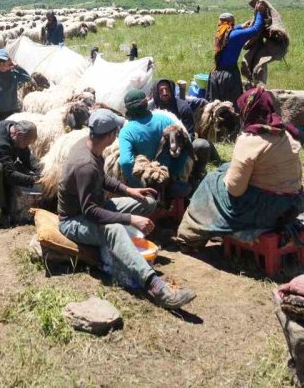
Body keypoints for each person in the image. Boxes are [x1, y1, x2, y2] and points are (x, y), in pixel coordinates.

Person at [58, 109, 195, 309]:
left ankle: (130, 246)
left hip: (95, 205)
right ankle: (156, 287)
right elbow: (90, 211)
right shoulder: (85, 165)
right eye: (116, 131)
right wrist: (130, 219)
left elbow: (102, 179)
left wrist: (129, 190)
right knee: (114, 230)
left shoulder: (90, 147)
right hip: (74, 219)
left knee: (147, 202)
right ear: (110, 135)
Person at [176, 86, 304, 253]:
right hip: (294, 201)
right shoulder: (285, 134)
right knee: (225, 167)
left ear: (248, 110)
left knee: (210, 183)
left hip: (267, 208)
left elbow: (235, 190)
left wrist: (222, 180)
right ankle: (214, 227)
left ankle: (190, 237)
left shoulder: (250, 140)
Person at [117, 89, 190, 198]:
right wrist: (174, 173)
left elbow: (126, 162)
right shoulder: (165, 120)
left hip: (146, 182)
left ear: (128, 108)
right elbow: (185, 146)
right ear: (146, 103)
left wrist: (138, 185)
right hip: (168, 178)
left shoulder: (127, 132)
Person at [148, 78, 219, 189]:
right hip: (158, 147)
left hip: (182, 145)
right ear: (156, 93)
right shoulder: (152, 109)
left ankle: (196, 175)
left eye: (167, 89)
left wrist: (178, 145)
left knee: (202, 144)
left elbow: (190, 134)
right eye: (161, 90)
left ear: (172, 90)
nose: (165, 93)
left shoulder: (183, 107)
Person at [208, 2, 265, 105]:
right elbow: (256, 29)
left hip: (214, 76)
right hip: (228, 77)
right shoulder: (236, 36)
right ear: (231, 23)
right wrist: (260, 12)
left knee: (215, 107)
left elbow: (231, 30)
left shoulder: (220, 34)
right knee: (232, 107)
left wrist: (241, 26)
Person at [0, 48, 31, 123]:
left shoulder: (14, 73)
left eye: (4, 62)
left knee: (11, 132)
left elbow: (27, 78)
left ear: (9, 61)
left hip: (12, 110)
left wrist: (17, 66)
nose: (1, 65)